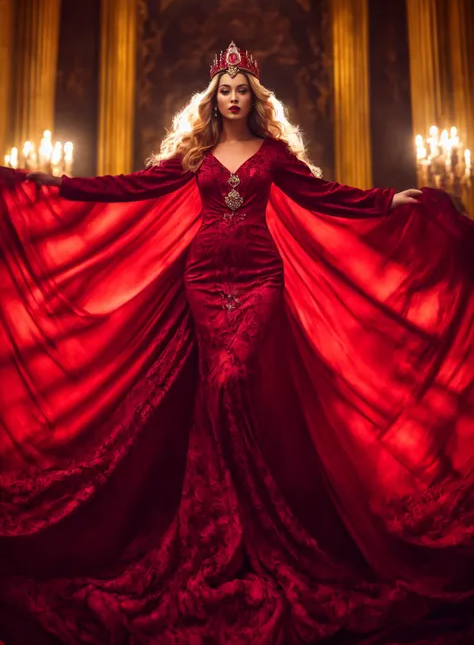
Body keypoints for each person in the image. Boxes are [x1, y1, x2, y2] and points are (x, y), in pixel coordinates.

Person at [0, 42, 473, 645]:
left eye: (241, 89)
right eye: (224, 89)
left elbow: (326, 196)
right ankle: (217, 529)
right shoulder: (194, 154)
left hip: (259, 276)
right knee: (216, 386)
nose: (232, 97)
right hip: (203, 278)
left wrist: (388, 201)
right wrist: (61, 186)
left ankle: (258, 528)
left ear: (254, 97)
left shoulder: (274, 155)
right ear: (212, 97)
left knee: (236, 380)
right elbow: (130, 187)